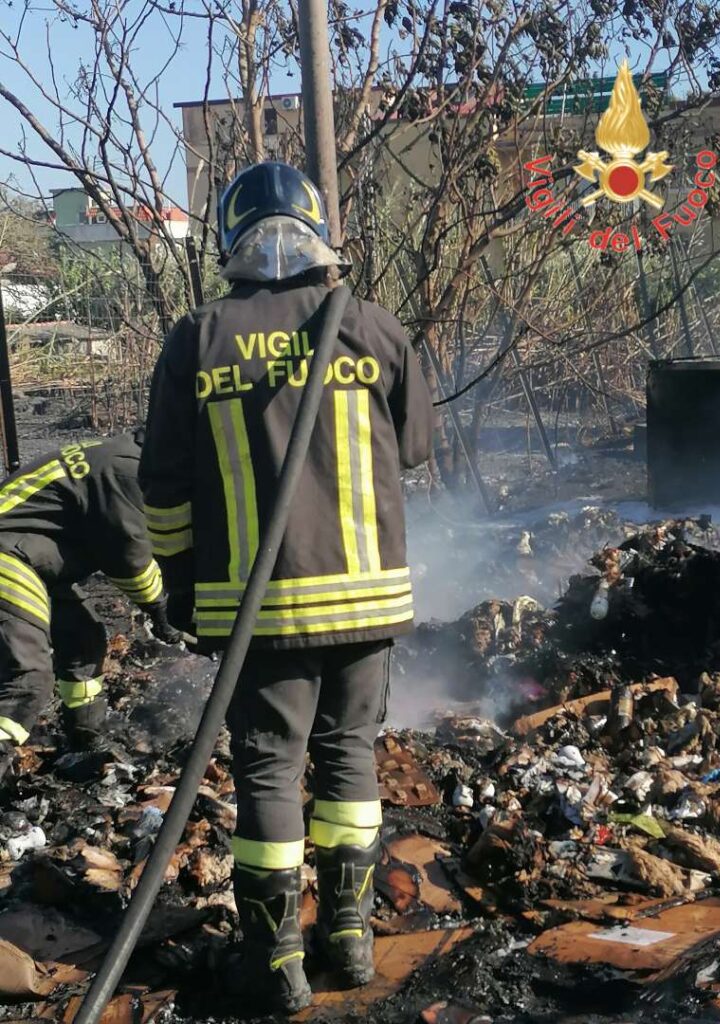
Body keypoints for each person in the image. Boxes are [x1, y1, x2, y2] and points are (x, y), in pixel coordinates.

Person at [139, 161, 434, 1012]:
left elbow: (162, 489)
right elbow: (416, 450)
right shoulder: (372, 327)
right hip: (366, 603)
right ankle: (350, 937)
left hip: (256, 612)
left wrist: (180, 588)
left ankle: (276, 963)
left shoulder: (198, 339)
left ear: (229, 238)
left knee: (269, 768)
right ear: (320, 233)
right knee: (349, 755)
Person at [0, 429, 182, 778]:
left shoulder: (117, 456)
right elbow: (129, 556)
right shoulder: (125, 470)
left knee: (83, 640)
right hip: (10, 556)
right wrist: (162, 609)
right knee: (27, 679)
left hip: (32, 560)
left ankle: (85, 738)